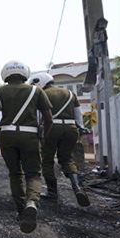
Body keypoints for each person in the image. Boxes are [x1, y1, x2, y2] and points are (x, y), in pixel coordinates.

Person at [0, 60, 53, 233]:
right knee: (33, 174)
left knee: (15, 173)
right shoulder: (37, 91)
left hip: (7, 136)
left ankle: (22, 211)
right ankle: (32, 203)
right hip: (30, 136)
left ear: (5, 74)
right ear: (25, 74)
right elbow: (48, 118)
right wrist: (43, 137)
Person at [29, 72, 90, 207]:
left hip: (51, 128)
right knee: (67, 158)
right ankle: (77, 188)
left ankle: (52, 193)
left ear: (40, 83)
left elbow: (39, 116)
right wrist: (80, 128)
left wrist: (38, 131)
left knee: (47, 160)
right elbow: (78, 114)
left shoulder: (41, 94)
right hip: (70, 128)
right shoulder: (69, 93)